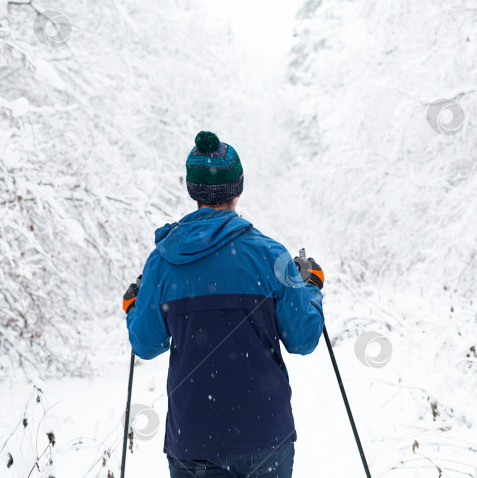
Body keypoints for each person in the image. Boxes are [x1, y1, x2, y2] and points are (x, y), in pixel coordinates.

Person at [122, 131, 325, 478]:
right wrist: (311, 286)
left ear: (192, 190)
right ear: (238, 187)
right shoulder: (271, 256)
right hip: (265, 439)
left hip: (194, 441)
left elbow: (146, 343)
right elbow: (303, 339)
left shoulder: (162, 263)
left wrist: (134, 306)